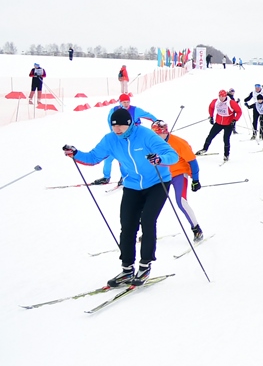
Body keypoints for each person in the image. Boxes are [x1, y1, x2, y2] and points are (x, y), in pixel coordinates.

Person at [63, 107, 178, 287]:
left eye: (121, 127)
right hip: (132, 185)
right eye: (114, 127)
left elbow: (172, 155)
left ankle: (145, 264)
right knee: (127, 225)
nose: (117, 130)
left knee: (147, 220)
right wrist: (75, 153)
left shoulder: (145, 135)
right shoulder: (110, 140)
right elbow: (93, 157)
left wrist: (158, 159)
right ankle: (126, 269)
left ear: (130, 124)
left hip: (157, 183)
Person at [151, 120, 204, 241]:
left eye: (159, 134)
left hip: (179, 174)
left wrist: (195, 180)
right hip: (162, 176)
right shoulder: (151, 143)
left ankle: (196, 229)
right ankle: (148, 232)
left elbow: (192, 161)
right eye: (154, 134)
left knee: (181, 202)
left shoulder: (179, 143)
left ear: (165, 132)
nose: (156, 137)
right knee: (151, 204)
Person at [93, 93, 158, 185]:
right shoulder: (114, 110)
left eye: (128, 102)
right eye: (124, 102)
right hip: (117, 138)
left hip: (132, 139)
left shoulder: (135, 110)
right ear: (120, 102)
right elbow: (110, 122)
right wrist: (115, 133)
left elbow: (149, 116)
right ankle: (106, 177)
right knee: (108, 158)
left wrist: (158, 124)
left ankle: (125, 177)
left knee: (124, 159)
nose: (126, 104)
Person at [196, 90, 243, 160]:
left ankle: (226, 155)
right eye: (220, 96)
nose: (221, 98)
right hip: (218, 123)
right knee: (210, 136)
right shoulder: (215, 101)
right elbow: (211, 107)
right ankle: (204, 149)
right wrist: (211, 117)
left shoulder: (231, 102)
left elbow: (239, 111)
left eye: (223, 96)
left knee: (226, 139)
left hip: (228, 124)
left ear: (225, 96)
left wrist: (235, 120)